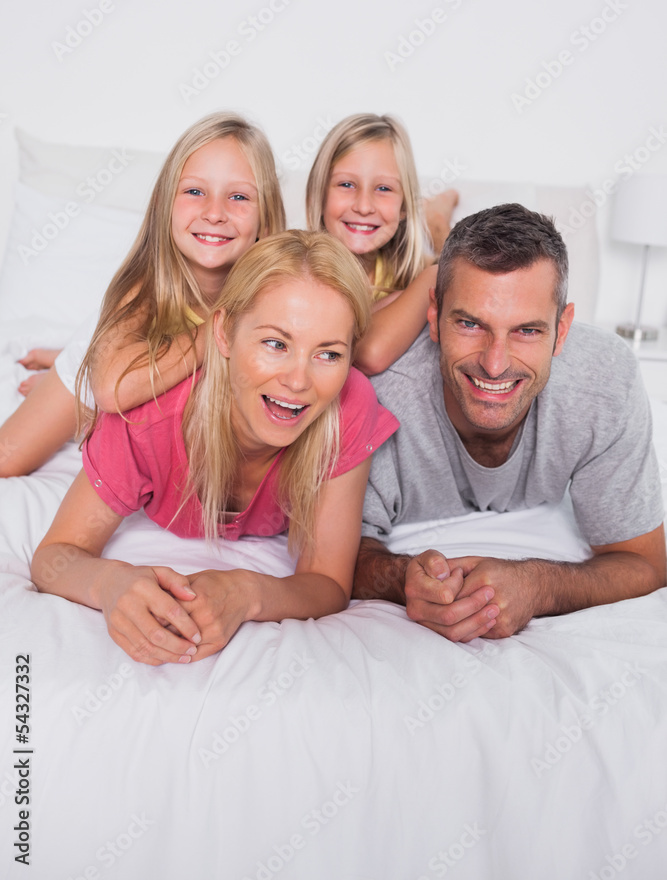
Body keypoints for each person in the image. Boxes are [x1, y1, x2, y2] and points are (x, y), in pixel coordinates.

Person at [31, 231, 400, 665]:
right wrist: (110, 582)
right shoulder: (148, 419)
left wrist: (247, 592)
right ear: (223, 332)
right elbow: (54, 556)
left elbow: (328, 583)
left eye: (328, 354)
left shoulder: (347, 405)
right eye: (276, 344)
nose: (299, 381)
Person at [352, 204, 666, 641]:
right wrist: (404, 578)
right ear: (434, 316)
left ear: (564, 327)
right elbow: (337, 558)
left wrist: (538, 586)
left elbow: (644, 562)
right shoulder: (379, 395)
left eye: (527, 331)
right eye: (469, 323)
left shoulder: (605, 382)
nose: (494, 365)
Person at [0, 111, 286, 477]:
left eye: (239, 196)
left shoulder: (280, 296)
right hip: (114, 369)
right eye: (195, 191)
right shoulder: (146, 288)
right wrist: (224, 326)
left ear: (266, 216)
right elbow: (112, 390)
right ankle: (75, 368)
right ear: (166, 204)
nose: (215, 213)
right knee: (8, 459)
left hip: (155, 384)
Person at [305, 113, 458, 374]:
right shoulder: (297, 270)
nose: (364, 206)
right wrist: (434, 275)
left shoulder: (411, 273)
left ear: (404, 207)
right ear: (319, 195)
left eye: (384, 189)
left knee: (454, 266)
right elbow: (368, 354)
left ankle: (437, 224)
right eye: (346, 184)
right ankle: (436, 222)